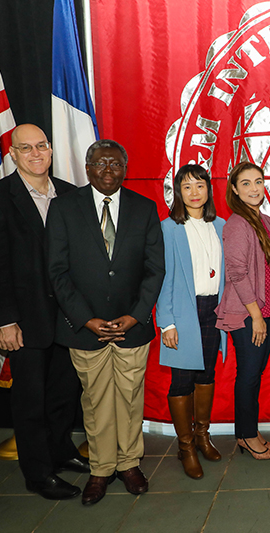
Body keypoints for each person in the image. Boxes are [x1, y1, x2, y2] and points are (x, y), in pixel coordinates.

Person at [0, 124, 86, 500]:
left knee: (64, 394)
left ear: (50, 150)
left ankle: (60, 451)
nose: (36, 153)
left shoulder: (70, 195)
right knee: (30, 399)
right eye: (26, 148)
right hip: (24, 319)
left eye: (42, 146)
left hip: (68, 318)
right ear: (14, 155)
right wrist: (5, 320)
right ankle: (38, 473)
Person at [46, 139, 165, 505]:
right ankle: (101, 469)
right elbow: (57, 271)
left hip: (133, 327)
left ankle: (129, 463)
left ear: (125, 169)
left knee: (129, 399)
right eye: (100, 163)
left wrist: (135, 316)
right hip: (86, 330)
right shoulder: (64, 208)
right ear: (88, 168)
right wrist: (86, 319)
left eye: (115, 163)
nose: (108, 170)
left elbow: (154, 269)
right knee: (96, 402)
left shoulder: (144, 209)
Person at [156, 165, 227, 479]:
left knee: (206, 375)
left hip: (215, 310)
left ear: (209, 190)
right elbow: (162, 278)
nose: (195, 193)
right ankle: (185, 445)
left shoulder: (222, 226)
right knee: (182, 380)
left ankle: (202, 435)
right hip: (184, 312)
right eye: (187, 187)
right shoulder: (168, 228)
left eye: (200, 186)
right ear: (178, 192)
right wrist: (167, 322)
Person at [215, 162, 270, 460]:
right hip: (247, 315)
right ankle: (245, 436)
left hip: (267, 313)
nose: (254, 188)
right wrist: (255, 316)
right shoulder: (237, 224)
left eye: (258, 181)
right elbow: (237, 274)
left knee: (253, 374)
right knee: (248, 376)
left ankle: (249, 432)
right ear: (234, 189)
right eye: (246, 183)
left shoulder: (264, 220)